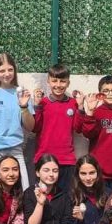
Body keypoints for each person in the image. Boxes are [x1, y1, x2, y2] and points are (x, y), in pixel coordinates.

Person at [0, 52, 35, 188]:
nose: (7, 74)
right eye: (2, 71)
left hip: (15, 148)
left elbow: (30, 127)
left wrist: (24, 107)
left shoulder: (22, 94)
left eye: (10, 69)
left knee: (25, 188)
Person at [22, 154, 80, 224]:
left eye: (55, 171)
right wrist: (40, 203)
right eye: (46, 170)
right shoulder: (29, 194)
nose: (51, 174)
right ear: (37, 173)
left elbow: (67, 223)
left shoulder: (64, 195)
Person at [31, 64, 79, 192]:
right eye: (54, 81)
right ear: (48, 81)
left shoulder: (73, 103)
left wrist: (81, 108)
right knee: (43, 197)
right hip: (44, 159)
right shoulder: (42, 102)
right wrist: (37, 105)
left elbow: (78, 128)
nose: (58, 85)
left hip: (67, 160)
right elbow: (35, 127)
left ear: (68, 83)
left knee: (66, 197)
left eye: (62, 81)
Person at [69, 154, 107, 224]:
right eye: (83, 173)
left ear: (97, 173)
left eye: (92, 173)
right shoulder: (72, 196)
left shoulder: (107, 193)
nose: (88, 178)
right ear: (78, 175)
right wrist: (79, 220)